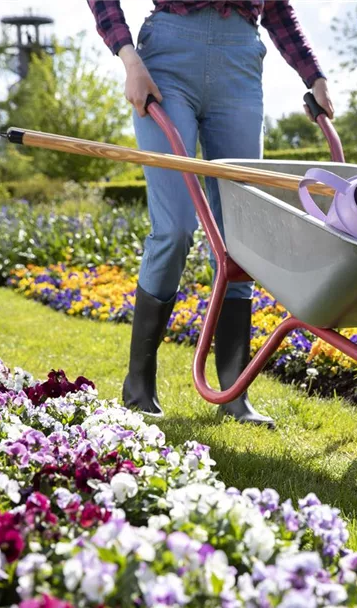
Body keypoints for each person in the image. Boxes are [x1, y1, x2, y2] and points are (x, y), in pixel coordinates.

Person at [87, 0, 334, 429]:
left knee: (241, 233)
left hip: (239, 63)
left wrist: (314, 76)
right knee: (175, 229)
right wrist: (129, 57)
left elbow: (277, 10)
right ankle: (139, 385)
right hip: (165, 59)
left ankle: (233, 392)